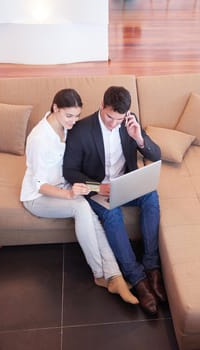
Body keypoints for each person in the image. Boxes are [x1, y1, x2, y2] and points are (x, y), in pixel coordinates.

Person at [20, 88, 138, 305]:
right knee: (81, 207)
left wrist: (84, 187)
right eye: (69, 115)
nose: (74, 121)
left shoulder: (65, 128)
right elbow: (39, 184)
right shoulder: (39, 138)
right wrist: (68, 194)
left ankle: (115, 276)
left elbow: (70, 169)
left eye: (77, 116)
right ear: (55, 108)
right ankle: (100, 274)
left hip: (63, 185)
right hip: (38, 196)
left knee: (92, 215)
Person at [63, 86, 166, 315]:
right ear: (102, 106)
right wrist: (98, 187)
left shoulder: (130, 123)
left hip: (125, 184)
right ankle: (137, 278)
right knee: (112, 214)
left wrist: (138, 138)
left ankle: (152, 267)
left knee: (151, 195)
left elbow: (156, 155)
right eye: (109, 117)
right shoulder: (81, 130)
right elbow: (69, 171)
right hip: (98, 189)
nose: (113, 123)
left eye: (118, 119)